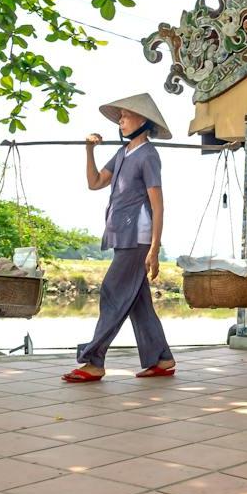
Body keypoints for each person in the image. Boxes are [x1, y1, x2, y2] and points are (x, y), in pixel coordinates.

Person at [63, 93, 177, 383]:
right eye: (121, 116)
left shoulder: (149, 155)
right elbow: (95, 183)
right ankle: (161, 359)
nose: (121, 121)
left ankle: (93, 360)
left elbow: (159, 204)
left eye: (126, 116)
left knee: (112, 292)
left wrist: (154, 247)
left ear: (143, 121)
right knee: (138, 302)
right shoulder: (123, 153)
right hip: (121, 234)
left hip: (137, 237)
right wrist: (89, 150)